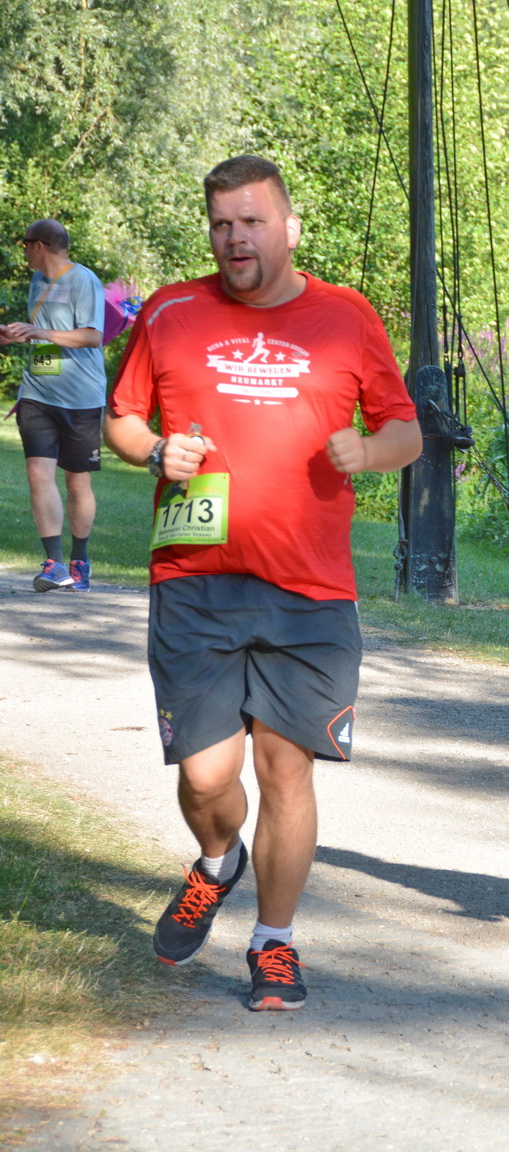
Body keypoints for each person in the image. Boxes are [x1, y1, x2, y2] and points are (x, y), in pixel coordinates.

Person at [106, 155, 422, 1010]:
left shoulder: (347, 317)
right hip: (195, 580)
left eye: (250, 221)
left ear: (288, 228)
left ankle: (274, 942)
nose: (234, 238)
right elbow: (122, 419)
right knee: (207, 775)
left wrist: (372, 451)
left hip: (310, 588)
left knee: (287, 768)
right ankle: (217, 860)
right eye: (221, 224)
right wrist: (151, 449)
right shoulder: (171, 310)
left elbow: (406, 432)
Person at [1, 220, 107, 592]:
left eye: (25, 244)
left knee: (77, 482)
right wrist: (14, 338)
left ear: (40, 246)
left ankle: (80, 560)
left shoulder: (83, 281)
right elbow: (41, 335)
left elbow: (93, 336)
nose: (23, 250)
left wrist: (40, 333)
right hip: (38, 393)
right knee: (37, 473)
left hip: (81, 397)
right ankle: (54, 564)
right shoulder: (37, 282)